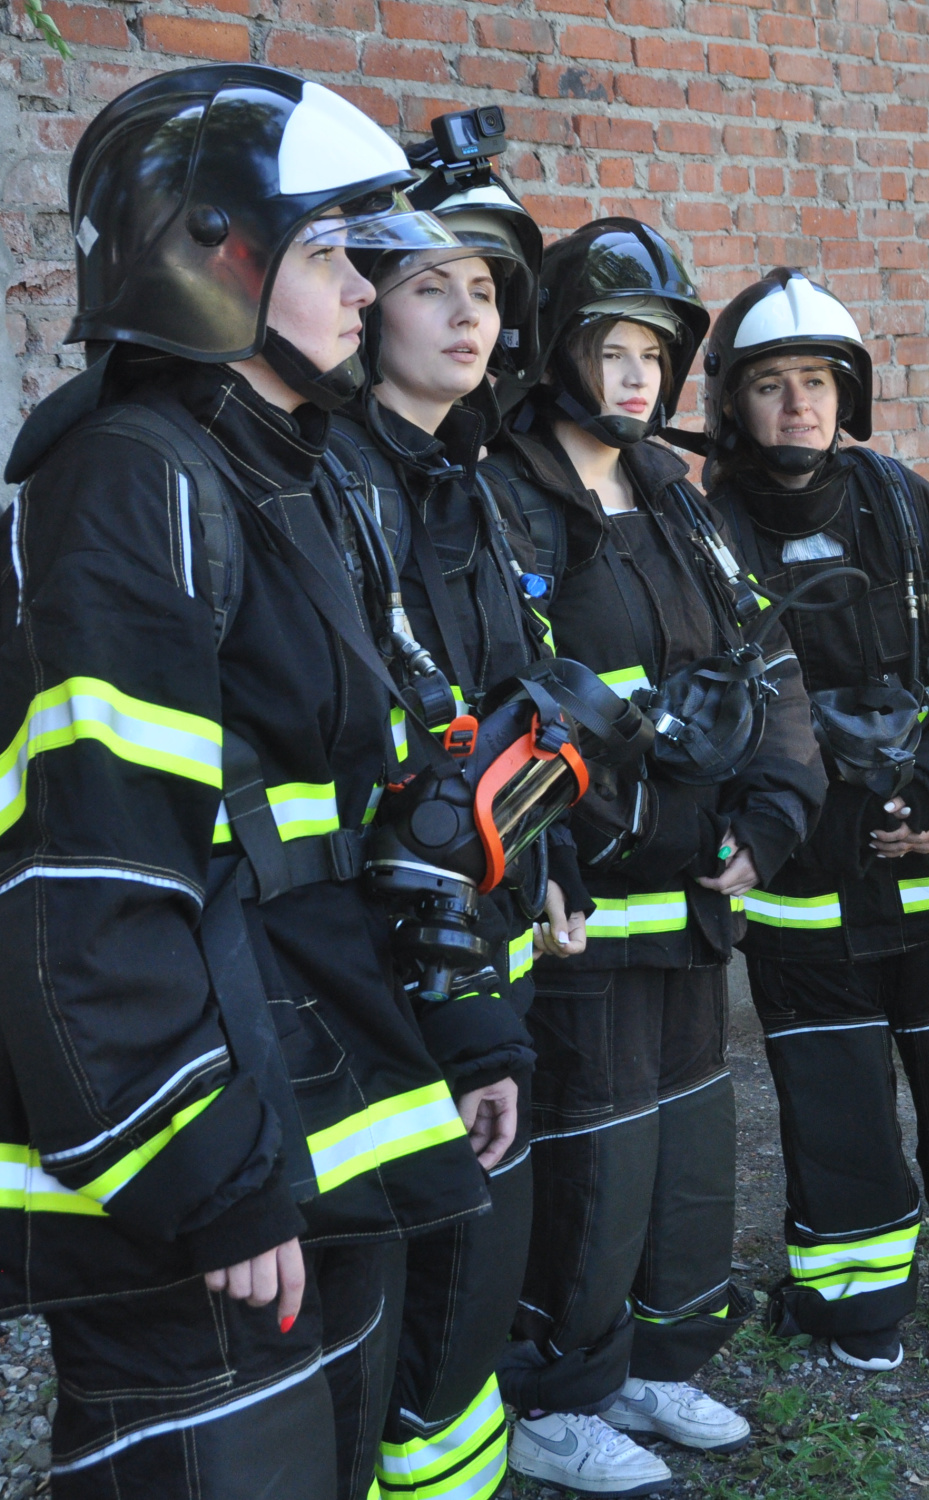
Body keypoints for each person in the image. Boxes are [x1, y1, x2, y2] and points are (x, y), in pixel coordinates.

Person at [0, 66, 497, 1498]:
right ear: (220, 251)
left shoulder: (274, 466)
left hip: (303, 1072)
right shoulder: (133, 481)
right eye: (340, 253)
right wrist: (201, 1173)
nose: (372, 292)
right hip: (207, 1121)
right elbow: (90, 875)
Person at [482, 220, 826, 1497]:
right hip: (585, 900)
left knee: (687, 1133)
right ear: (556, 350)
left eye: (654, 354)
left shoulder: (676, 493)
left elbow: (768, 661)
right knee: (591, 1138)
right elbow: (490, 695)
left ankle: (658, 1354)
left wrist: (777, 811)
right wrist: (541, 856)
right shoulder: (505, 492)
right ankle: (555, 1394)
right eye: (609, 348)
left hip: (694, 891)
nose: (634, 377)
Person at [701, 269, 929, 1373]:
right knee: (834, 1096)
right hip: (808, 890)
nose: (797, 405)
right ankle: (856, 1306)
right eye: (771, 384)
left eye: (815, 381)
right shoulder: (702, 536)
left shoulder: (910, 510)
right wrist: (801, 831)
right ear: (733, 404)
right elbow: (710, 712)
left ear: (847, 395)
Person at [325, 118, 555, 1500]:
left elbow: (511, 707)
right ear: (367, 300)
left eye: (486, 291)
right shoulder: (337, 481)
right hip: (387, 953)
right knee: (429, 1240)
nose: (467, 313)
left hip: (490, 924)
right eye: (432, 286)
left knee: (480, 1245)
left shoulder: (464, 481)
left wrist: (551, 867)